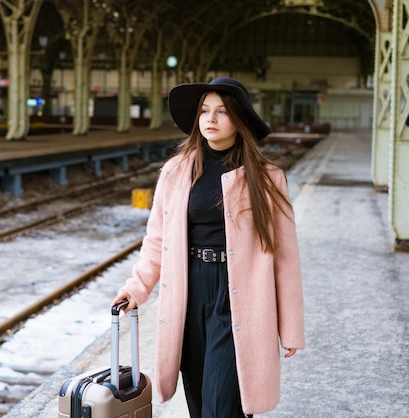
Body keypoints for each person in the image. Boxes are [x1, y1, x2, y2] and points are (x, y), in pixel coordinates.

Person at [111, 77, 305, 417]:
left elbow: (285, 259)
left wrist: (290, 327)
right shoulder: (175, 172)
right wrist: (137, 287)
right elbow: (157, 240)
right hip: (189, 290)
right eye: (204, 111)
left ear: (239, 120)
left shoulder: (267, 178)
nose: (210, 119)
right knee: (200, 403)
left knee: (222, 404)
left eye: (221, 112)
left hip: (239, 295)